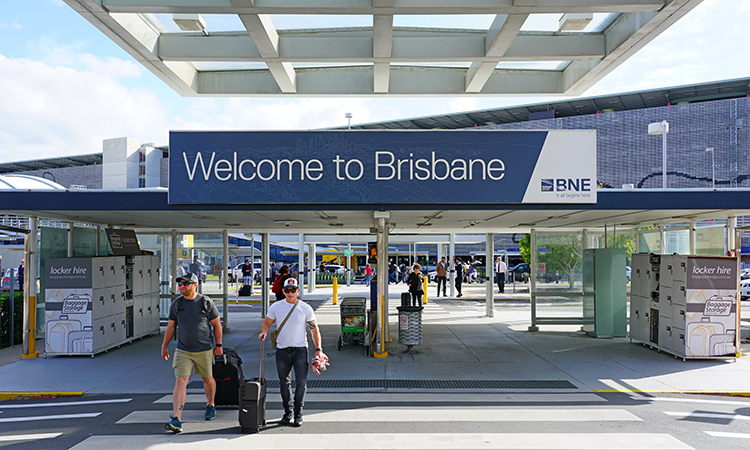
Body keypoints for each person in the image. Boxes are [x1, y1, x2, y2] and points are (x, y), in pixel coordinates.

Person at [161, 272, 223, 433]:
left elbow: (217, 325)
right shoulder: (177, 304)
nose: (182, 286)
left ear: (195, 285)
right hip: (183, 349)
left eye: (186, 283)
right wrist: (164, 346)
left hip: (204, 349)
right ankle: (177, 418)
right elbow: (170, 327)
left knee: (207, 379)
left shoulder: (206, 303)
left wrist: (219, 345)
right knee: (181, 381)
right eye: (181, 284)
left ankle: (211, 405)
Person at [259, 278, 322, 428]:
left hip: (300, 350)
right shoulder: (276, 307)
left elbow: (314, 330)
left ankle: (298, 413)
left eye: (293, 290)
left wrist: (318, 349)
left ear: (298, 291)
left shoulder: (305, 308)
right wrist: (264, 332)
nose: (290, 293)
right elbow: (266, 323)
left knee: (301, 382)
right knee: (284, 383)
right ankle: (288, 412)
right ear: (283, 291)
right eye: (287, 290)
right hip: (282, 350)